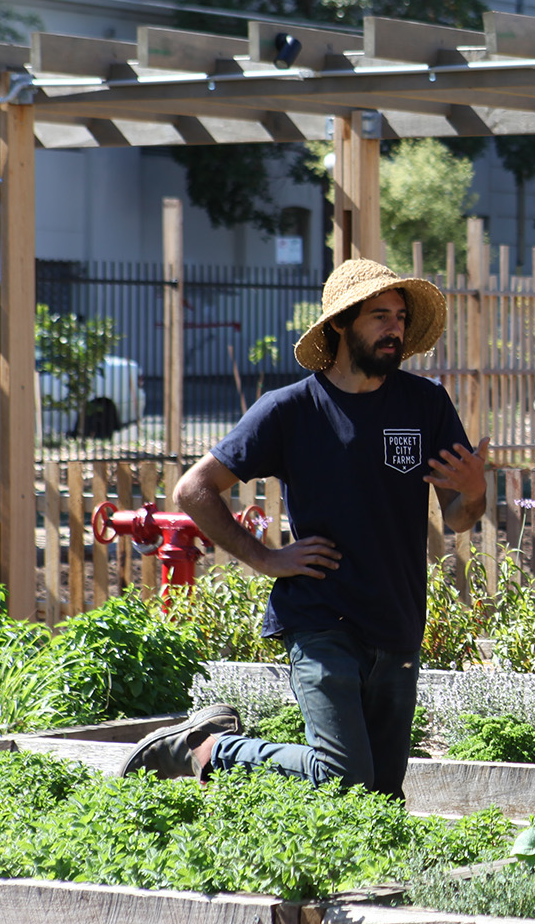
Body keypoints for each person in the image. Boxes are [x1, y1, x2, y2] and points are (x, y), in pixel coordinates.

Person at [120, 258, 489, 798]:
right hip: (322, 620)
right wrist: (267, 559)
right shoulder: (289, 410)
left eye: (401, 317)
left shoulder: (425, 403)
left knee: (378, 799)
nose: (396, 329)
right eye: (380, 316)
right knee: (343, 778)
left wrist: (475, 492)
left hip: (398, 620)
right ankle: (210, 749)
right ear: (340, 323)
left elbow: (458, 514)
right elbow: (193, 490)